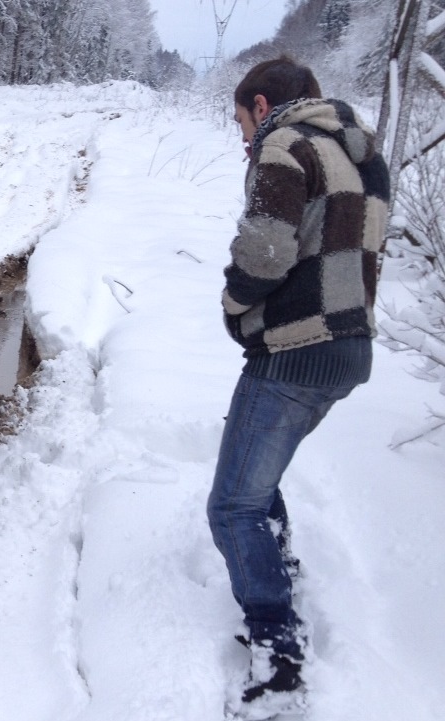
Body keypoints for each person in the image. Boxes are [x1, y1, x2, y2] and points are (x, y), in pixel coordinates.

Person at [209, 55, 390, 714]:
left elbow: (266, 251)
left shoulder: (283, 144)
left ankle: (277, 649)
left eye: (240, 122)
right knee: (258, 464)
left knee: (231, 506)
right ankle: (278, 562)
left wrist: (235, 306)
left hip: (294, 352)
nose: (242, 139)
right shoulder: (362, 153)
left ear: (261, 106)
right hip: (350, 349)